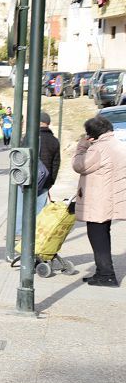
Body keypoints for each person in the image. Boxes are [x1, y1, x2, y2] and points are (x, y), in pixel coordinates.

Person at [73, 115, 126, 286]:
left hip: (98, 199)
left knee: (97, 236)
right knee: (103, 234)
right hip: (110, 198)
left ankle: (106, 275)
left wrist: (82, 146)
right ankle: (102, 272)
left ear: (93, 134)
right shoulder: (118, 144)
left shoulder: (98, 149)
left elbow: (79, 165)